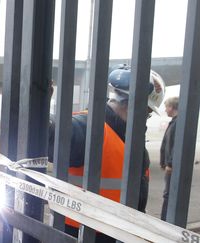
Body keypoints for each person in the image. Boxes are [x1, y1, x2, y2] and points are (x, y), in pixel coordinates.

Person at [48, 64, 165, 242]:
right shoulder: (91, 128)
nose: (145, 120)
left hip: (117, 233)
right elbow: (53, 133)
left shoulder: (130, 138)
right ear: (133, 105)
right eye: (147, 113)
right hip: (80, 234)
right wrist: (40, 114)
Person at [160, 96, 179, 220]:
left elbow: (175, 145)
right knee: (168, 193)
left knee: (168, 194)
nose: (165, 110)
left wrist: (170, 164)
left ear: (172, 107)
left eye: (166, 107)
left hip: (171, 167)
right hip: (169, 165)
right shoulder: (174, 121)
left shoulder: (177, 123)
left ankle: (166, 219)